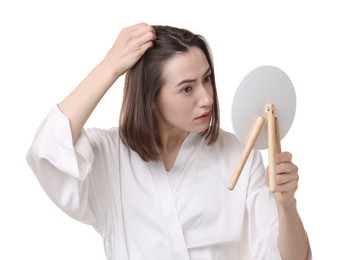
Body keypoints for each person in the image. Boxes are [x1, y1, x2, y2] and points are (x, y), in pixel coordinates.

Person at [26, 23, 311, 260]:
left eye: (207, 79)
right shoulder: (109, 156)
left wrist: (286, 204)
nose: (207, 98)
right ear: (150, 99)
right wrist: (110, 66)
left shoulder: (238, 153)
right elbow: (48, 151)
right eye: (187, 88)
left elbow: (290, 257)